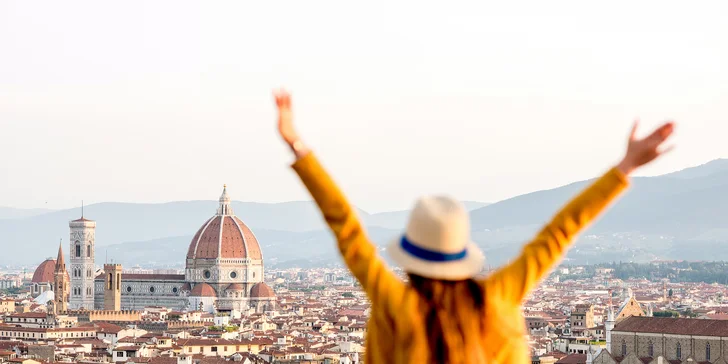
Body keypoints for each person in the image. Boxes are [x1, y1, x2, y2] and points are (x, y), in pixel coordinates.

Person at [273, 89, 674, 363]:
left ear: (410, 257)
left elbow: (347, 230)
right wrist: (624, 168)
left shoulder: (397, 307)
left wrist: (298, 147)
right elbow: (559, 233)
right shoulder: (497, 299)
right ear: (461, 254)